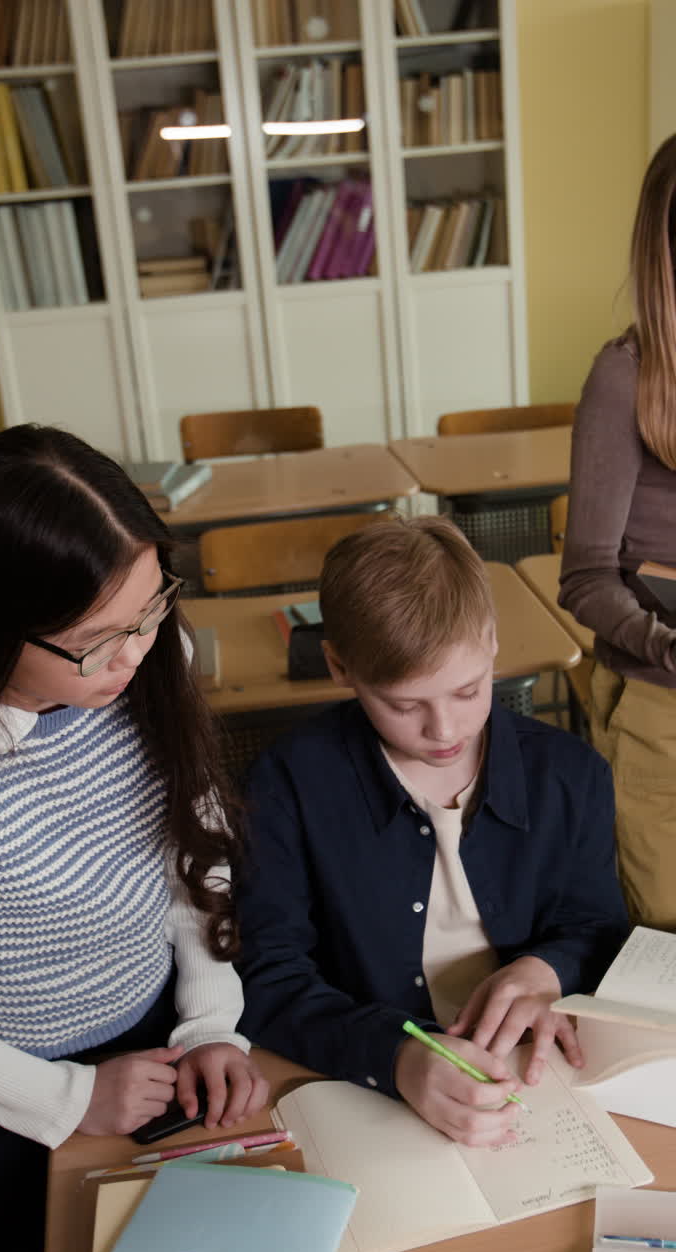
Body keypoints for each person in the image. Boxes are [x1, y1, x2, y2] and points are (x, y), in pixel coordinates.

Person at [0, 425, 268, 1252]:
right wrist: (71, 1097)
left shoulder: (152, 660)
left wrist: (211, 1020)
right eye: (99, 640)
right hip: (7, 1086)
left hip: (159, 1030)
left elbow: (191, 857)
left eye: (151, 608)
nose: (137, 652)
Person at [236, 516, 628, 1147]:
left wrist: (546, 970)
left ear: (494, 641)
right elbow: (268, 976)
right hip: (364, 1085)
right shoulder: (288, 783)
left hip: (537, 1074)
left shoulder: (569, 773)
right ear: (339, 666)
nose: (445, 731)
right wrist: (392, 1055)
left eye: (468, 691)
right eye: (404, 704)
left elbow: (599, 928)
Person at [559, 132, 676, 930]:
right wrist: (665, 644)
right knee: (664, 937)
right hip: (659, 705)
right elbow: (585, 578)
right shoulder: (625, 375)